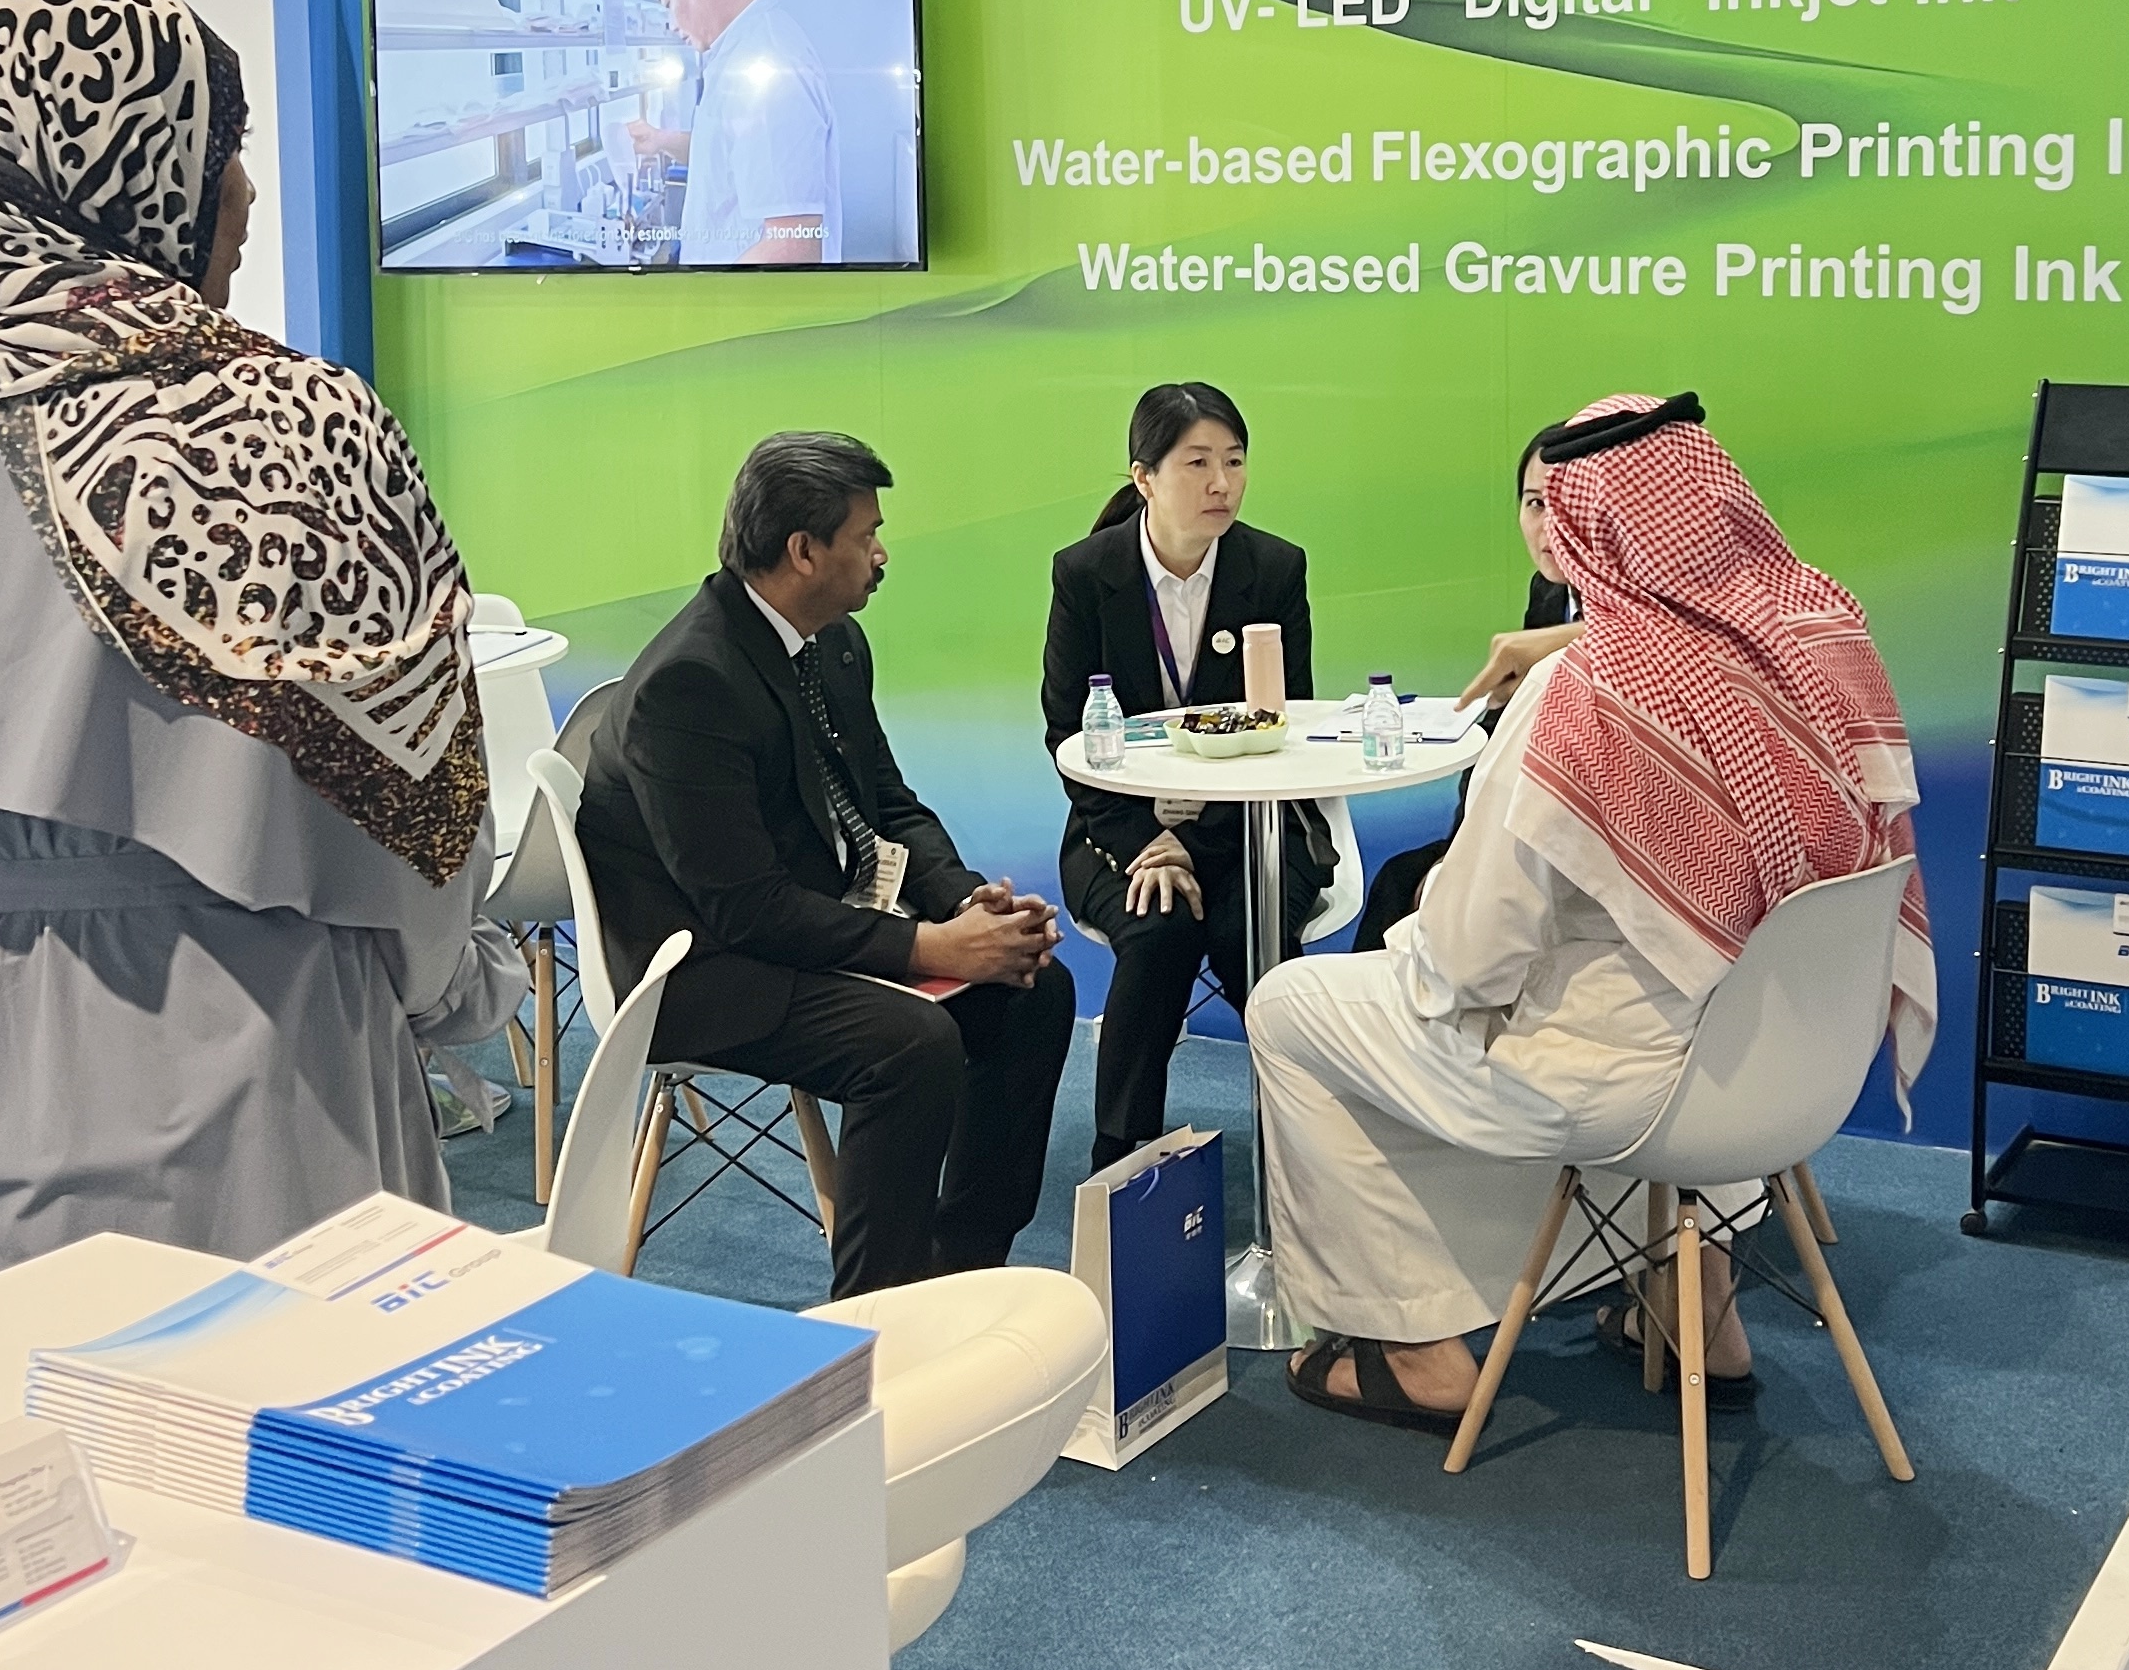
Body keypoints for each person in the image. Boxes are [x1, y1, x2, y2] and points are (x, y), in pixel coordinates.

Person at [0, 0, 524, 1347]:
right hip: (247, 1080)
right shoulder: (299, 430)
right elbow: (416, 833)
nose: (242, 199)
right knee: (245, 1466)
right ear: (123, 168)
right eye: (219, 156)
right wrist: (458, 997)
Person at [1247, 392, 1934, 1433]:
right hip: (1793, 1067)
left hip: (1632, 1094)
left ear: (1584, 525)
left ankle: (1415, 1352)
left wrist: (1413, 941)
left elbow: (1470, 961)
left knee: (1296, 1007)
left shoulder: (1585, 691)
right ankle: (1692, 1296)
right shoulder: (1827, 645)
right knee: (1667, 989)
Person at [575, 433, 1074, 1292]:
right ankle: (875, 1313)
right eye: (866, 535)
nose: (882, 554)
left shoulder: (833, 643)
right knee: (908, 1046)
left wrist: (965, 909)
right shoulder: (689, 685)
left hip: (806, 922)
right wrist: (929, 949)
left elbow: (888, 805)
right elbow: (745, 909)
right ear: (804, 551)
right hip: (700, 969)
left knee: (1034, 989)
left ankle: (962, 1269)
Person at [1042, 381, 1327, 1173]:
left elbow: (1286, 731)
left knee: (1248, 934)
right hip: (1118, 828)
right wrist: (1150, 843)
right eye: (1197, 463)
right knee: (1158, 926)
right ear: (1144, 477)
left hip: (1252, 825)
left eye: (1234, 461)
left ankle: (1313, 1146)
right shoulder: (1086, 574)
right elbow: (1068, 735)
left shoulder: (1273, 568)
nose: (1221, 483)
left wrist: (1193, 845)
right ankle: (1121, 1159)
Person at [1349, 423, 1581, 954]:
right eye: (1535, 504)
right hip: (1511, 825)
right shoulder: (1550, 591)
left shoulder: (1657, 614)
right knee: (1399, 881)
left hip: (1577, 843)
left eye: (1569, 504)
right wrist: (1459, 853)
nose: (1549, 526)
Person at [622, 0, 840, 266]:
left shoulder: (767, 66)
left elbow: (793, 245)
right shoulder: (739, 54)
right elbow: (730, 154)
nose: (671, 23)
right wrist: (661, 141)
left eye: (669, 2)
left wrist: (705, 296)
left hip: (745, 299)